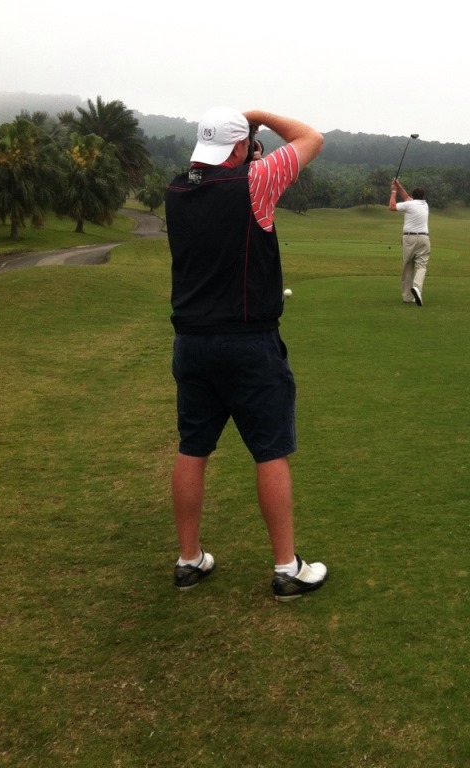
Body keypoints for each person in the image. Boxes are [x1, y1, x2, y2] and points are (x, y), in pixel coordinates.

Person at [165, 106, 328, 601]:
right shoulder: (256, 182)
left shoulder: (176, 190)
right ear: (240, 147)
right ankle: (287, 568)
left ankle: (189, 560)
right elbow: (311, 138)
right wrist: (256, 114)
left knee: (193, 447)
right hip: (247, 343)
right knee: (270, 450)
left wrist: (246, 144)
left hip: (191, 343)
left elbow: (216, 179)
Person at [389, 178, 430, 306]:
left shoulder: (409, 205)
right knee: (421, 266)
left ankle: (407, 296)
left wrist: (394, 191)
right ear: (423, 196)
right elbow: (406, 197)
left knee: (408, 266)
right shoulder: (425, 205)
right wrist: (399, 185)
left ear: (413, 196)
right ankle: (417, 287)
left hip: (409, 239)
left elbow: (392, 207)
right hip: (424, 239)